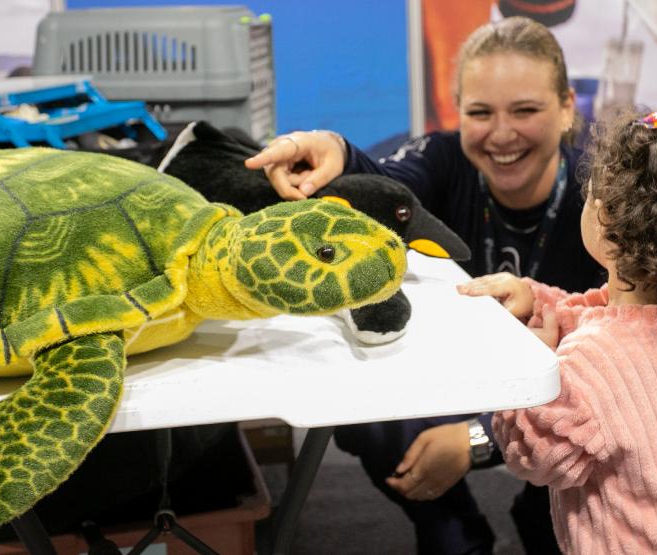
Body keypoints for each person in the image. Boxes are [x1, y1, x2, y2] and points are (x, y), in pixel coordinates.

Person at [245, 16, 605, 555]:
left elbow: (628, 363)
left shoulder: (601, 204)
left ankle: (543, 516)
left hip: (574, 397)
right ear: (458, 112)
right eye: (480, 113)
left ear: (566, 107)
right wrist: (333, 148)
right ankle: (451, 527)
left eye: (525, 110)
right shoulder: (443, 160)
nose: (502, 134)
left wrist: (480, 437)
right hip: (459, 371)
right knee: (365, 410)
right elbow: (374, 187)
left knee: (564, 516)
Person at [460, 110, 657, 553]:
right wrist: (535, 298)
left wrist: (528, 371)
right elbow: (605, 325)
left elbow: (536, 457)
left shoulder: (588, 361)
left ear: (601, 220)